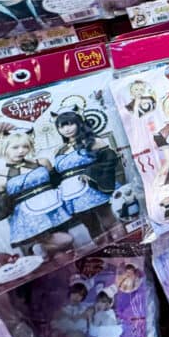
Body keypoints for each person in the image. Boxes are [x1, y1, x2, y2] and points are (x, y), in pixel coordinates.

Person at [52, 102, 120, 238]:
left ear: (79, 123)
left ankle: (125, 245)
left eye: (70, 124)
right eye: (62, 126)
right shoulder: (59, 150)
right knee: (91, 227)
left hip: (92, 186)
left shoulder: (93, 141)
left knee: (108, 219)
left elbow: (111, 160)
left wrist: (90, 173)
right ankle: (106, 251)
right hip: (72, 192)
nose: (66, 129)